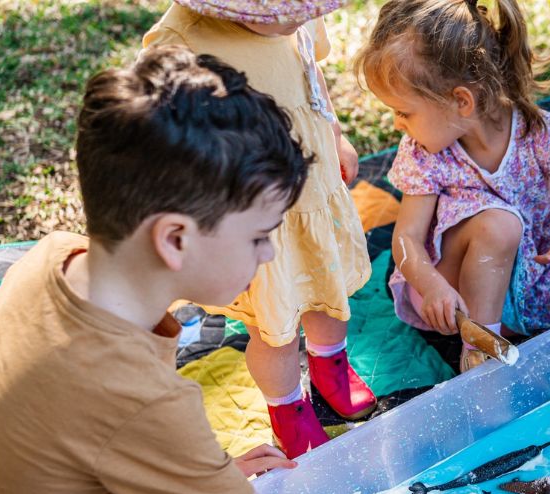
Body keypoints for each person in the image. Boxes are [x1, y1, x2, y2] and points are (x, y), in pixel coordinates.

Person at [0, 47, 521, 494]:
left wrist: (207, 480)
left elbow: (80, 434)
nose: (269, 256)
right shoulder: (139, 397)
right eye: (260, 236)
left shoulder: (54, 257)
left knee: (256, 492)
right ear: (175, 239)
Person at [142, 0, 376, 458]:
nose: (295, 21)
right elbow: (162, 141)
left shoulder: (299, 17)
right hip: (258, 220)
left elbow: (311, 75)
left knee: (331, 295)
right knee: (276, 329)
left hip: (312, 189)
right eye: (281, 12)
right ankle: (287, 406)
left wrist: (334, 134)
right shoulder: (182, 40)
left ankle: (331, 362)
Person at [355, 0, 550, 373]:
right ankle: (480, 355)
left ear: (461, 101)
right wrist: (432, 286)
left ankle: (514, 328)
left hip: (532, 278)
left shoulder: (541, 133)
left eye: (404, 112)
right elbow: (406, 238)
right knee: (499, 224)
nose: (396, 124)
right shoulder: (424, 153)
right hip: (453, 285)